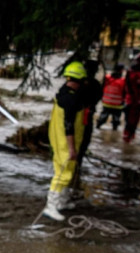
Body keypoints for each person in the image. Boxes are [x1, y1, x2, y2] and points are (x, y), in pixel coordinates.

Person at [43, 61, 86, 221]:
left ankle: (61, 201)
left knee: (66, 170)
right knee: (63, 174)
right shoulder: (71, 100)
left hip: (59, 139)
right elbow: (68, 125)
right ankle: (51, 206)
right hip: (65, 141)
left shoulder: (63, 92)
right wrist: (72, 148)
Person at [70, 60, 103, 194]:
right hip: (84, 119)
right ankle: (75, 172)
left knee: (78, 145)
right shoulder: (94, 85)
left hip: (83, 118)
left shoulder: (82, 85)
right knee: (81, 147)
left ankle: (75, 172)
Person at [96, 64, 126, 131]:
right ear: (122, 71)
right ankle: (114, 131)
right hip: (118, 105)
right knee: (116, 120)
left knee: (102, 118)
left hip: (106, 103)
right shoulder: (123, 81)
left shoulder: (107, 78)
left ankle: (97, 127)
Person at [124, 53, 140, 143]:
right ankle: (128, 136)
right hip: (133, 101)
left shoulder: (132, 72)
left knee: (134, 120)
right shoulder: (133, 73)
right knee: (130, 120)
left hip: (135, 101)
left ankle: (130, 135)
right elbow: (131, 87)